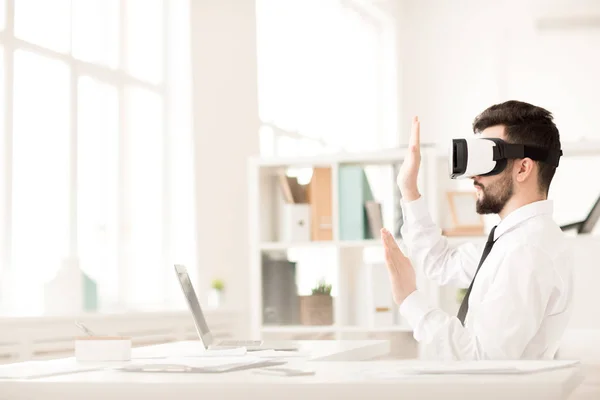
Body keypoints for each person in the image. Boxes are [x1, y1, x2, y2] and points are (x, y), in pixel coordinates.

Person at [381, 100, 573, 360]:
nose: (474, 176)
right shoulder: (513, 239)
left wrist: (409, 298)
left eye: (487, 158)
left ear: (523, 168)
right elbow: (442, 264)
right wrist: (409, 189)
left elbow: (482, 359)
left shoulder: (526, 250)